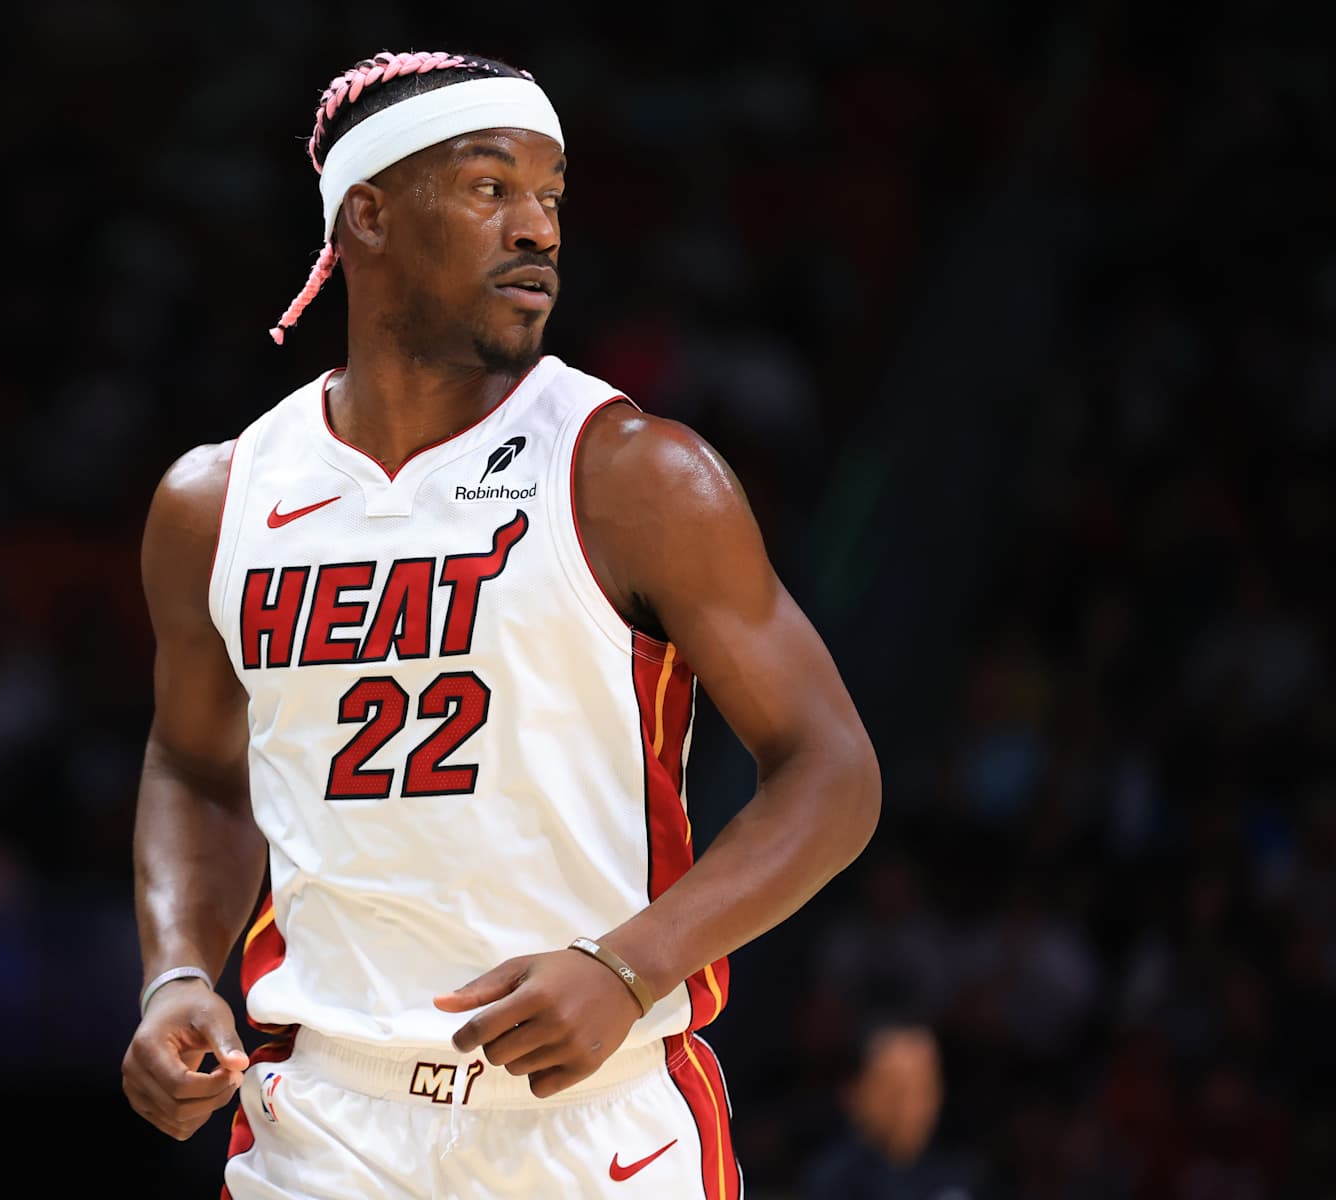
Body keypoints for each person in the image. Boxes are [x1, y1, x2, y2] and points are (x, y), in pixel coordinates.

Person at [120, 48, 881, 1199]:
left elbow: (833, 770)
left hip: (592, 1117)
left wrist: (631, 968)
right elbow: (193, 763)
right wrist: (175, 971)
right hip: (328, 1121)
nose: (539, 229)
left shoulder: (634, 475)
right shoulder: (217, 500)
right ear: (366, 216)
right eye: (491, 189)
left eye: (551, 195)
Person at [800, 1020, 990, 1200]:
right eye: (896, 1090)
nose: (912, 1104)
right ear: (855, 1092)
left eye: (924, 1087)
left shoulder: (966, 1171)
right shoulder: (836, 1178)